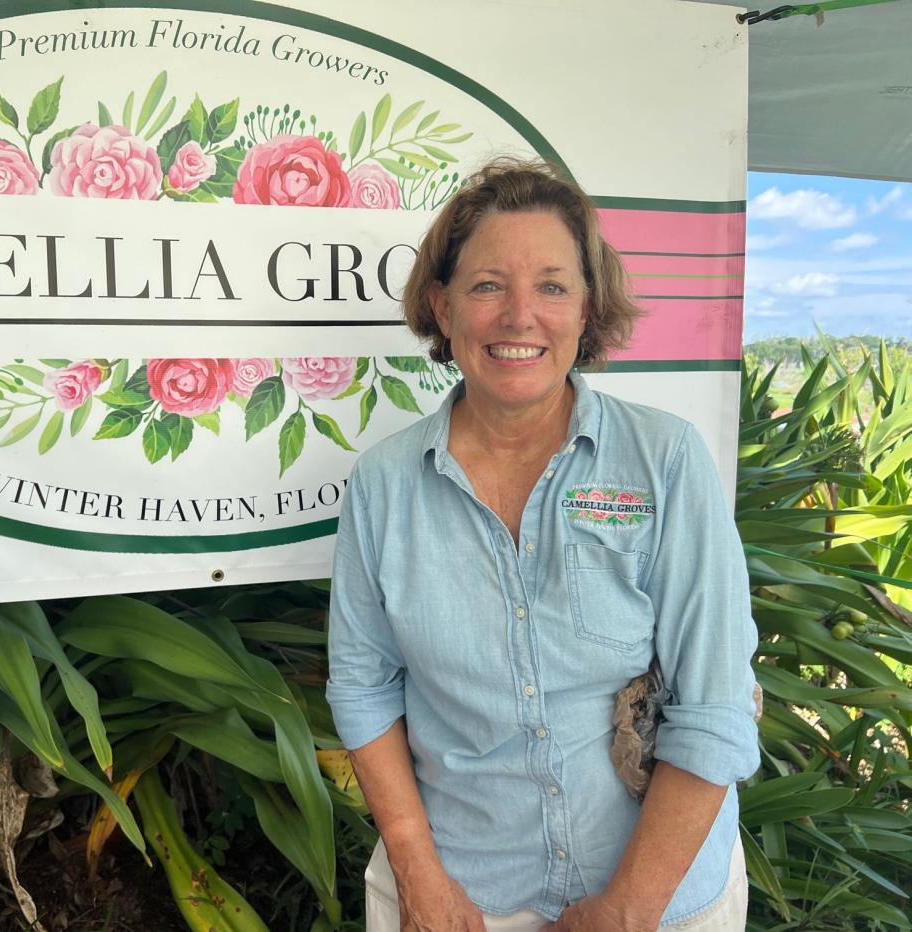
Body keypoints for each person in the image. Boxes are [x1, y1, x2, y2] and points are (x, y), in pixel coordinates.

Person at [325, 159, 759, 931]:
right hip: (458, 897)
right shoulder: (384, 486)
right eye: (488, 285)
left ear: (587, 311)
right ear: (443, 306)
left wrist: (627, 910)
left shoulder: (665, 460)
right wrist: (415, 869)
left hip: (659, 900)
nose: (519, 316)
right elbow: (363, 689)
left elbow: (717, 705)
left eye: (553, 286)